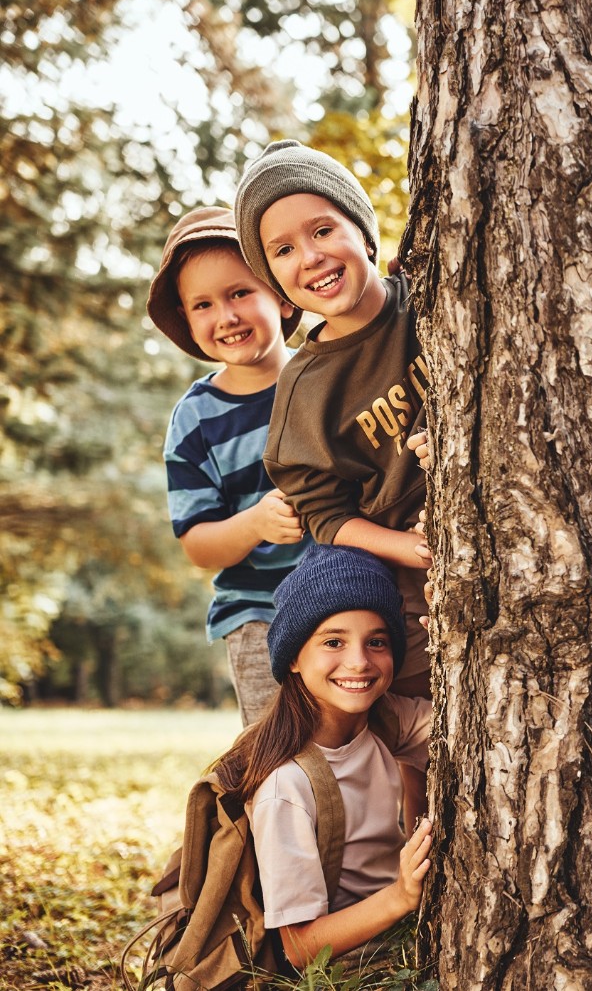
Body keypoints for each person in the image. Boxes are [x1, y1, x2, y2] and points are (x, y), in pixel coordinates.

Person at [232, 140, 433, 702]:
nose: (310, 257)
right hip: (405, 574)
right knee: (424, 730)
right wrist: (407, 549)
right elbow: (325, 514)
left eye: (322, 231)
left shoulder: (431, 300)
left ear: (364, 234)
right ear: (273, 279)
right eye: (283, 250)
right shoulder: (304, 390)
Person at [221, 544, 435, 972]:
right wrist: (401, 896)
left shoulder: (386, 721)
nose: (358, 662)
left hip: (402, 937)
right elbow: (300, 948)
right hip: (350, 964)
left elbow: (471, 727)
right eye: (333, 641)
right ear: (295, 657)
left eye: (377, 642)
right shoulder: (286, 787)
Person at [149, 206, 311, 725]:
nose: (226, 316)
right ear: (188, 320)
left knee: (368, 749)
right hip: (257, 612)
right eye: (203, 304)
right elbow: (197, 543)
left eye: (240, 292)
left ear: (282, 297)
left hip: (352, 595)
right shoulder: (195, 419)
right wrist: (257, 523)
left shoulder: (324, 376)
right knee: (275, 756)